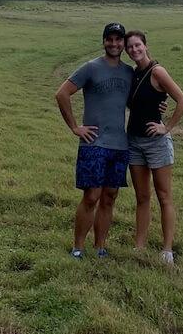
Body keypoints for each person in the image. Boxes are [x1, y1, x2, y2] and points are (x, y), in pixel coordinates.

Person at [55, 22, 134, 259]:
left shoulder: (129, 72)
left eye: (118, 40)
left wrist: (157, 107)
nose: (114, 44)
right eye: (109, 39)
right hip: (94, 144)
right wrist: (75, 127)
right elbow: (62, 93)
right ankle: (78, 247)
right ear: (104, 41)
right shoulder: (90, 68)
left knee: (109, 197)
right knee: (91, 196)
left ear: (123, 43)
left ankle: (100, 247)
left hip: (119, 144)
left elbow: (130, 102)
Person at [124, 29, 183, 265]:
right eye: (129, 47)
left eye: (137, 45)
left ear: (145, 45)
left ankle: (167, 250)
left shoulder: (157, 71)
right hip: (134, 141)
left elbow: (182, 101)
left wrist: (166, 127)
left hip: (156, 143)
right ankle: (139, 246)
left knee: (164, 196)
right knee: (142, 196)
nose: (134, 50)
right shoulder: (133, 74)